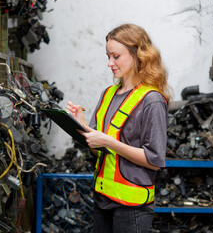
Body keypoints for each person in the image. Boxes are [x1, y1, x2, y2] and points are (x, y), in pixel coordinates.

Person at [66, 23, 171, 233]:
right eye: (108, 57)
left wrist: (108, 142)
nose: (110, 63)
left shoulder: (152, 100)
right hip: (102, 199)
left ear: (137, 54)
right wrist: (83, 126)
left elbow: (155, 160)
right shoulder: (108, 94)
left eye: (116, 56)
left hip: (132, 208)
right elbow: (98, 150)